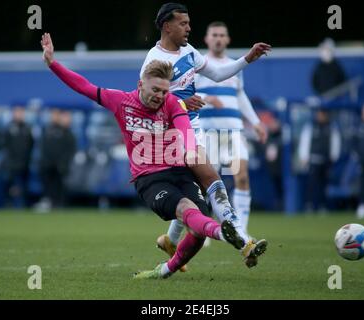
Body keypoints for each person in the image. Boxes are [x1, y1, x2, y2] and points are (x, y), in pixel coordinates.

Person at [40, 32, 267, 279]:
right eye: (155, 90)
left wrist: (191, 148)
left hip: (179, 172)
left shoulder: (171, 102)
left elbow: (184, 127)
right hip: (151, 179)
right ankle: (228, 235)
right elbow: (83, 86)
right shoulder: (120, 101)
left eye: (164, 91)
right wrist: (53, 63)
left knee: (199, 227)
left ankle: (164, 271)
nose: (160, 96)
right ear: (140, 84)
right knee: (187, 210)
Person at [141, 3, 270, 269]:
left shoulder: (188, 52)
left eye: (189, 23)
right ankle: (242, 240)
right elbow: (148, 103)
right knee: (209, 182)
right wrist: (184, 105)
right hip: (171, 136)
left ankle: (174, 241)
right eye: (183, 23)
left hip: (193, 131)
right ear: (167, 26)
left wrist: (248, 58)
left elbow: (218, 73)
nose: (189, 28)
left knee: (204, 187)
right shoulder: (154, 61)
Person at [194, 21, 268, 238]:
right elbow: (185, 94)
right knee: (206, 184)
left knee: (242, 177)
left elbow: (240, 94)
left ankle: (241, 231)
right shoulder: (199, 64)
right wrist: (207, 98)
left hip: (234, 132)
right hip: (208, 134)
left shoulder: (235, 66)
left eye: (221, 35)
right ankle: (204, 229)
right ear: (207, 39)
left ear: (227, 39)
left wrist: (255, 121)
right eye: (214, 34)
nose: (218, 38)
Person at [298, 109, 341, 212]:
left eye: (322, 114)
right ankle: (310, 205)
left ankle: (323, 206)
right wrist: (304, 157)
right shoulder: (311, 127)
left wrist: (334, 156)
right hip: (313, 159)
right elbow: (304, 142)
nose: (320, 116)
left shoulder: (331, 127)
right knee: (311, 184)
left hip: (326, 160)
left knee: (324, 185)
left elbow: (336, 143)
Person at [37, 108, 76, 211]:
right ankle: (48, 202)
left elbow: (70, 149)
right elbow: (43, 146)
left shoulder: (65, 132)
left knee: (60, 185)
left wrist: (63, 162)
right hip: (48, 164)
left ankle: (60, 204)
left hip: (60, 165)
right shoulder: (47, 130)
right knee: (48, 185)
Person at [2, 106, 34, 208]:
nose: (19, 115)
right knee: (10, 183)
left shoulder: (27, 127)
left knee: (24, 184)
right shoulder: (9, 127)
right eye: (17, 112)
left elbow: (31, 143)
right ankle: (9, 203)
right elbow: (5, 144)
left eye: (21, 113)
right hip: (12, 161)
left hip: (24, 161)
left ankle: (24, 204)